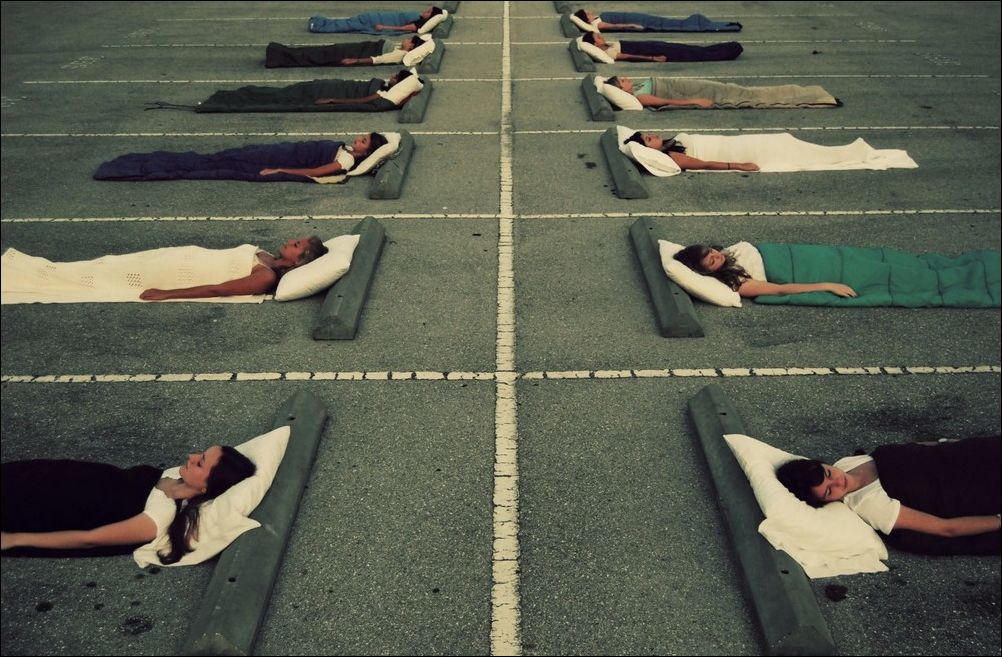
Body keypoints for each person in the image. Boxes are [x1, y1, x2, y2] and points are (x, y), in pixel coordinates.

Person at [1, 446, 256, 562]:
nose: (191, 456)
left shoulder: (159, 517)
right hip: (51, 476)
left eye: (200, 463)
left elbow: (90, 538)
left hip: (47, 503)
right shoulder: (174, 476)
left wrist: (15, 540)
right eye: (200, 454)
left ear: (205, 488)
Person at [776, 436, 1001, 555]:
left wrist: (950, 444)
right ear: (825, 502)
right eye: (829, 491)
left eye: (828, 473)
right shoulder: (871, 506)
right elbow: (945, 528)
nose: (837, 481)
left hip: (972, 455)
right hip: (979, 487)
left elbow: (916, 449)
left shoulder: (845, 463)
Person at [138, 236, 328, 300]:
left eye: (296, 245)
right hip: (183, 256)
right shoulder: (268, 257)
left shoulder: (265, 277)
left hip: (180, 271)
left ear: (299, 262)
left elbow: (218, 290)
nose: (291, 240)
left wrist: (167, 294)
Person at [673, 243, 855, 298]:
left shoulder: (727, 254)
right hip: (795, 266)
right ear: (707, 272)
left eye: (712, 251)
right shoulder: (739, 283)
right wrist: (827, 285)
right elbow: (779, 289)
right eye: (712, 261)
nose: (717, 255)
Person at [258, 132, 388, 178]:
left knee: (256, 156)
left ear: (367, 152)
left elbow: (316, 172)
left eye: (363, 141)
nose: (359, 138)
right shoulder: (348, 149)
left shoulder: (347, 160)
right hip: (295, 149)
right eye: (363, 137)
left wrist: (280, 170)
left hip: (295, 156)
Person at [623, 132, 760, 173]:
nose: (653, 135)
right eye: (649, 139)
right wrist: (740, 166)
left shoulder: (666, 146)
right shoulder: (672, 157)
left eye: (648, 134)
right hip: (727, 149)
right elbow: (705, 164)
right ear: (649, 150)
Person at [581, 32, 742, 63]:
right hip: (655, 52)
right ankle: (732, 50)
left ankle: (730, 47)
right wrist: (654, 58)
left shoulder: (608, 45)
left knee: (695, 49)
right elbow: (630, 56)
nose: (601, 36)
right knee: (696, 54)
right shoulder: (609, 53)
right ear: (595, 44)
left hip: (654, 45)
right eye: (598, 37)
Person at [265, 36, 422, 68]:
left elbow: (379, 59)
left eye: (409, 40)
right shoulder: (398, 48)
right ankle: (280, 52)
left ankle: (277, 57)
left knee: (318, 56)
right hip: (355, 48)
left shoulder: (400, 54)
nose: (406, 39)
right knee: (320, 51)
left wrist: (355, 60)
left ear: (411, 47)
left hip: (357, 53)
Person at [572, 9, 741, 33]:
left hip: (638, 17)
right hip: (637, 21)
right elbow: (616, 26)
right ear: (586, 18)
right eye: (587, 13)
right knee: (671, 24)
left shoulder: (597, 18)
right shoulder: (598, 24)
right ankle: (723, 26)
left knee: (668, 21)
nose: (590, 12)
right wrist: (633, 25)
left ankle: (724, 25)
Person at [312, 70, 416, 105]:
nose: (392, 76)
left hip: (350, 90)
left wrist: (332, 100)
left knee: (320, 86)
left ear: (398, 83)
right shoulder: (385, 87)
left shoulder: (384, 94)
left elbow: (359, 101)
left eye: (395, 77)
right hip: (352, 85)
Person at [605, 76, 713, 109]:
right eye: (622, 81)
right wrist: (695, 101)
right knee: (714, 90)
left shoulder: (636, 88)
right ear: (621, 90)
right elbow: (667, 101)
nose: (625, 78)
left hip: (676, 83)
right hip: (680, 89)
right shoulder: (640, 97)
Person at [374, 6, 444, 32]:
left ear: (430, 17)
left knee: (371, 17)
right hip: (393, 16)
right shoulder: (420, 17)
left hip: (390, 20)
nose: (425, 11)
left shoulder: (420, 23)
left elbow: (402, 28)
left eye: (428, 12)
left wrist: (383, 27)